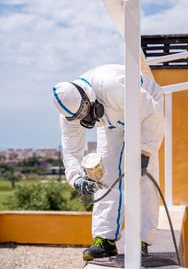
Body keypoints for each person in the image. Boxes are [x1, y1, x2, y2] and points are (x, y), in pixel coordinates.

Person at [52, 64, 165, 261]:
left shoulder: (112, 85)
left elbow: (151, 115)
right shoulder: (70, 114)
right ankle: (104, 240)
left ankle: (141, 239)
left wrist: (144, 152)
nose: (84, 118)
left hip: (145, 110)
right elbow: (71, 150)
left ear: (87, 96)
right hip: (110, 120)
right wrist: (76, 178)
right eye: (79, 117)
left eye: (84, 111)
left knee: (144, 176)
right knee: (106, 175)